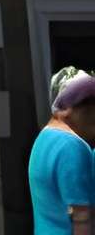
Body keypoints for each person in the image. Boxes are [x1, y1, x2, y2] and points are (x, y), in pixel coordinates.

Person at [31, 68, 95, 235]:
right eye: (87, 103)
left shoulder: (44, 137)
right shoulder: (73, 147)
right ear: (65, 109)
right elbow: (81, 216)